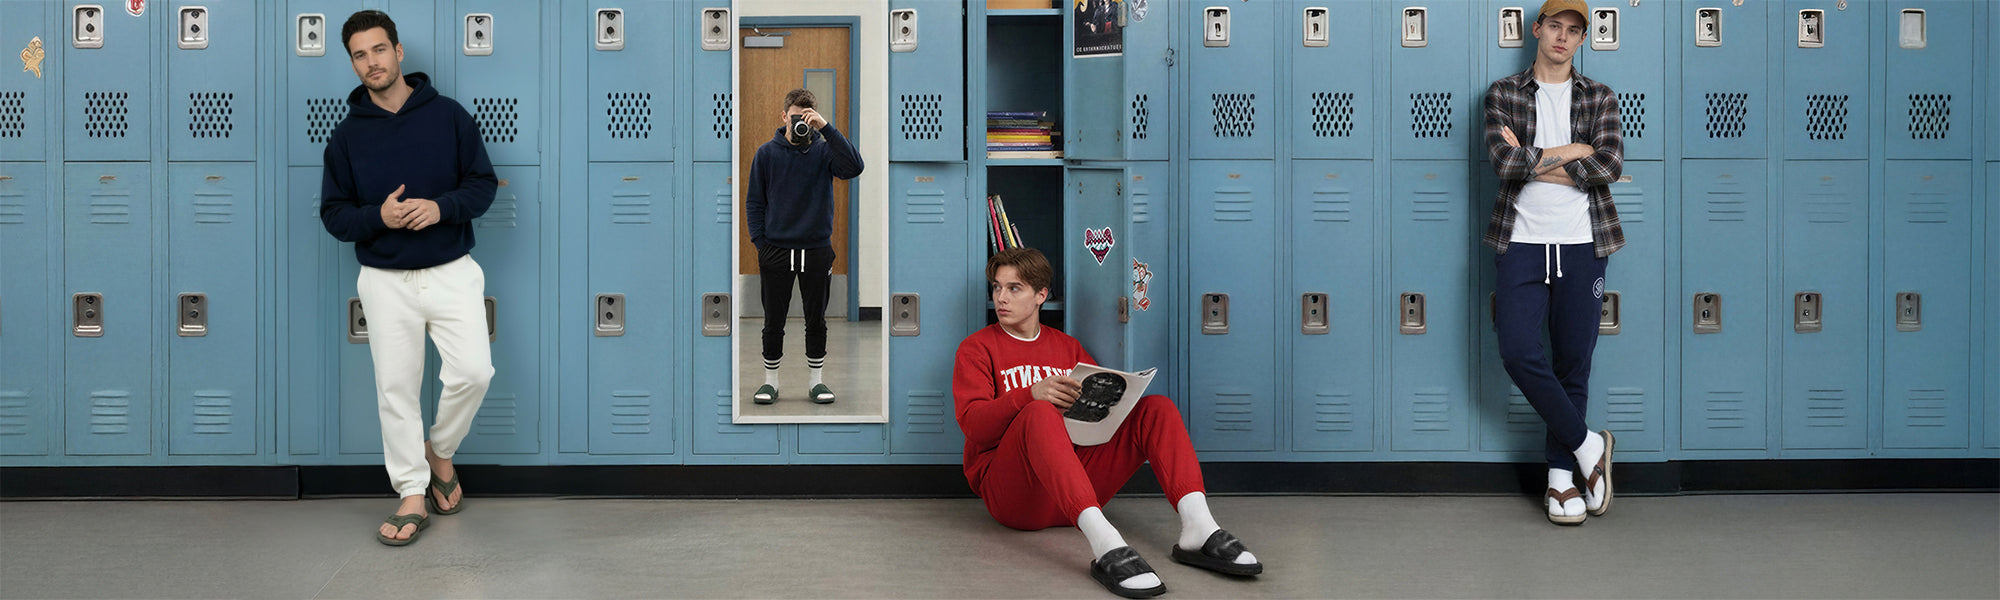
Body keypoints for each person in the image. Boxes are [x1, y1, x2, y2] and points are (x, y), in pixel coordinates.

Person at [953, 248, 1263, 598]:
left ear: (1041, 295)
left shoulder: (1067, 347)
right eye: (996, 288)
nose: (1000, 298)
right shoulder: (976, 348)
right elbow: (975, 428)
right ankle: (1106, 544)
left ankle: (1198, 528)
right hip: (1016, 498)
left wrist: (1119, 405)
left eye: (1014, 288)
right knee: (1039, 412)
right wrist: (1029, 395)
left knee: (1156, 408)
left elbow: (1097, 419)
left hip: (1075, 489)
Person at [319, 9, 497, 546]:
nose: (371, 62)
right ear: (352, 63)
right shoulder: (346, 137)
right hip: (385, 280)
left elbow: (482, 185)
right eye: (359, 54)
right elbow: (334, 215)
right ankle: (412, 492)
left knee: (474, 371)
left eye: (378, 49)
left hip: (450, 271)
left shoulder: (449, 117)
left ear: (398, 52)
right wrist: (380, 216)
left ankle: (439, 450)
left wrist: (441, 208)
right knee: (396, 390)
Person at [1482, 0, 1624, 526]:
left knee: (1573, 361)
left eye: (1574, 31)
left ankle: (1560, 481)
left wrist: (1540, 156)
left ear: (1582, 39)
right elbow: (1504, 162)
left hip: (1583, 240)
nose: (1563, 38)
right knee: (1518, 350)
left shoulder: (1600, 96)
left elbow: (1607, 164)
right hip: (1520, 239)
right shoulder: (1504, 93)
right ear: (1537, 30)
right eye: (1555, 27)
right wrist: (1573, 150)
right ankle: (1589, 446)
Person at [744, 88, 864, 405]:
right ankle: (770, 381)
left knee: (816, 320)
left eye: (807, 118)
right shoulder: (766, 154)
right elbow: (754, 202)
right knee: (773, 320)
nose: (801, 123)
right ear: (784, 116)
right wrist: (761, 244)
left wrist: (826, 128)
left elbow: (854, 167)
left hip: (816, 250)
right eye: (796, 116)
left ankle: (816, 382)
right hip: (776, 251)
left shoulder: (825, 152)